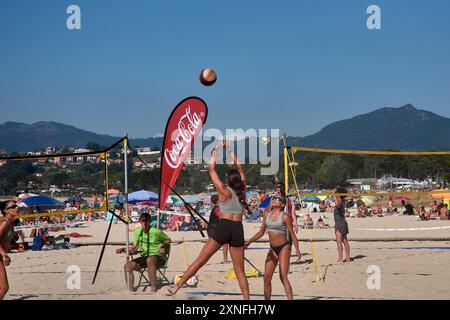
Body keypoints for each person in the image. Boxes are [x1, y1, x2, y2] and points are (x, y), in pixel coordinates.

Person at [168, 141, 250, 299]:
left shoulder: (223, 190)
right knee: (240, 271)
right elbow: (240, 168)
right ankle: (247, 300)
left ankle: (176, 287)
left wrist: (215, 153)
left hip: (224, 227)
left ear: (228, 179)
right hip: (238, 228)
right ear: (238, 180)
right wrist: (231, 151)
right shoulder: (242, 191)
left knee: (200, 260)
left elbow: (211, 169)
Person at [245, 196, 301, 300]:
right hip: (273, 248)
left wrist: (297, 248)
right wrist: (249, 242)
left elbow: (292, 234)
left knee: (283, 276)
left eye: (278, 199)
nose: (275, 200)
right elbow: (261, 232)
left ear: (283, 205)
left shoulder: (285, 217)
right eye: (274, 198)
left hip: (284, 247)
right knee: (266, 278)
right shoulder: (267, 215)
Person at [116, 212, 171, 292]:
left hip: (158, 258)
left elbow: (168, 240)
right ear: (140, 222)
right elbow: (135, 247)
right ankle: (130, 290)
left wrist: (163, 247)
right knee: (127, 266)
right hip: (145, 257)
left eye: (147, 220)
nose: (145, 223)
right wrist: (124, 249)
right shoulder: (138, 231)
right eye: (143, 220)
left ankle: (153, 288)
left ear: (150, 221)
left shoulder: (156, 231)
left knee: (150, 259)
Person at [0, 200, 19, 299]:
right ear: (6, 211)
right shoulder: (4, 223)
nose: (17, 208)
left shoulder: (10, 223)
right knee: (4, 287)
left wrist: (16, 246)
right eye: (13, 207)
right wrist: (4, 255)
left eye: (16, 206)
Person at [207, 195, 229, 263]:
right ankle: (225, 259)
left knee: (225, 243)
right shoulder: (217, 208)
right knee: (212, 246)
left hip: (216, 228)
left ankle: (225, 259)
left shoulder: (219, 207)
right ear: (217, 201)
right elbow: (221, 217)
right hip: (213, 229)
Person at [334, 187, 350, 263]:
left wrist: (336, 196)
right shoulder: (342, 202)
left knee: (339, 242)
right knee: (344, 241)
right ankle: (347, 258)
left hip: (340, 223)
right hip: (342, 222)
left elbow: (338, 205)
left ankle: (341, 258)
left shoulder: (340, 203)